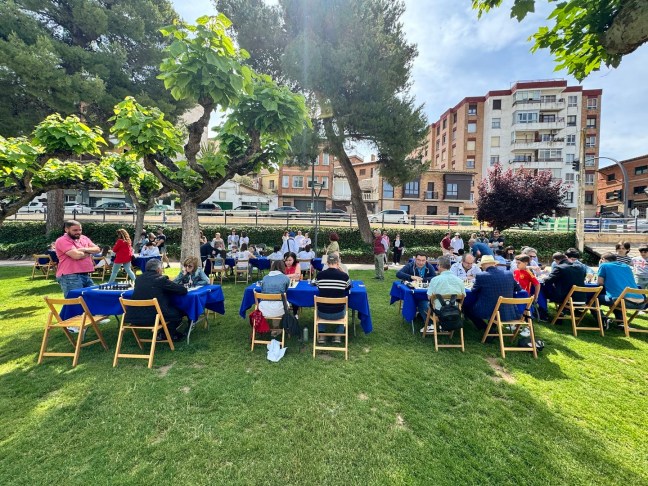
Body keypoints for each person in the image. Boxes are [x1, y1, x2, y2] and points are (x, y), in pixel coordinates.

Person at [125, 258, 187, 342]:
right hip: (153, 317)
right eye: (161, 268)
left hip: (134, 317)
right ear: (158, 269)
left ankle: (164, 333)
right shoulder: (160, 279)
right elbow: (182, 290)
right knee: (179, 312)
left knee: (168, 310)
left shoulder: (138, 279)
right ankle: (169, 334)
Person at [462, 255, 521, 331]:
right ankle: (492, 327)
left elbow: (474, 290)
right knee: (494, 303)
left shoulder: (481, 276)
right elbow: (518, 288)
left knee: (466, 307)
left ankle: (485, 328)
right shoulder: (508, 274)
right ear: (494, 264)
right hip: (507, 309)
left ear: (483, 265)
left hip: (488, 309)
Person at [55, 220, 101, 297]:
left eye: (80, 230)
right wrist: (89, 251)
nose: (78, 232)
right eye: (75, 230)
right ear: (66, 229)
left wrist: (83, 249)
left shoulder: (84, 238)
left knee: (93, 298)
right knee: (75, 301)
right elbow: (76, 256)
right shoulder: (62, 240)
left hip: (85, 274)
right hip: (70, 276)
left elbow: (97, 249)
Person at [597, 252, 645, 324]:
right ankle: (621, 323)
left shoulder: (604, 265)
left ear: (603, 259)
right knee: (617, 297)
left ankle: (603, 320)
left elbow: (600, 283)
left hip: (624, 301)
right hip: (641, 303)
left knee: (594, 298)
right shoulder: (626, 266)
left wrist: (600, 265)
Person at [314, 253, 351, 344]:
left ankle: (322, 335)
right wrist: (342, 272)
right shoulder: (344, 276)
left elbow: (318, 287)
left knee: (320, 305)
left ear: (327, 263)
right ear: (338, 263)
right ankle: (338, 335)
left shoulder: (319, 275)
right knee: (344, 305)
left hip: (322, 313)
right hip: (339, 313)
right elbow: (348, 288)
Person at [424, 255, 466, 333]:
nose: (437, 267)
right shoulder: (459, 280)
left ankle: (432, 325)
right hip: (454, 309)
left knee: (423, 304)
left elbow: (429, 297)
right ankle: (444, 325)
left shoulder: (435, 280)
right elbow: (463, 295)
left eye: (437, 265)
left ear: (439, 265)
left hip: (439, 310)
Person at [396, 252, 437, 320]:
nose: (421, 262)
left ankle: (424, 315)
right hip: (413, 293)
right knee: (420, 302)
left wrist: (423, 279)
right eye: (418, 260)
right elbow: (398, 274)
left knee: (424, 302)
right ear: (415, 259)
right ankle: (416, 312)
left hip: (426, 294)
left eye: (423, 260)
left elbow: (434, 277)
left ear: (426, 260)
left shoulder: (429, 266)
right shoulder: (410, 265)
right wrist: (411, 277)